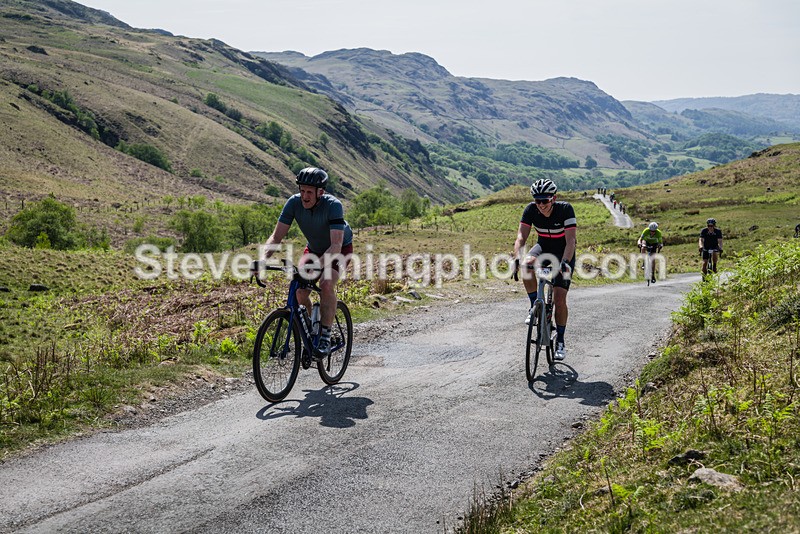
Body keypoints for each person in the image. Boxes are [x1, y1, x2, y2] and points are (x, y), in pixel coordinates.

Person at [260, 167, 353, 359]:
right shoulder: (293, 203)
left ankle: (325, 336)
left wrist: (315, 267)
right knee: (300, 291)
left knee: (326, 284)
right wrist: (262, 260)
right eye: (302, 191)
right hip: (314, 249)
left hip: (339, 250)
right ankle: (312, 330)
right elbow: (276, 237)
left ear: (321, 192)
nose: (304, 196)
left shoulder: (333, 206)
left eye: (309, 192)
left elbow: (335, 246)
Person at [513, 178, 577, 361]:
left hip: (564, 252)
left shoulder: (565, 209)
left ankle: (561, 341)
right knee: (526, 265)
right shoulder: (531, 210)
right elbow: (521, 237)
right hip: (543, 247)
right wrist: (517, 256)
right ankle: (535, 305)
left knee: (559, 298)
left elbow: (571, 240)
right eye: (537, 200)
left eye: (545, 200)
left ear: (554, 198)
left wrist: (565, 262)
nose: (540, 205)